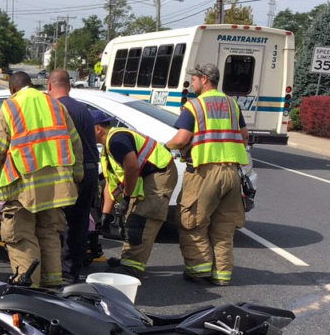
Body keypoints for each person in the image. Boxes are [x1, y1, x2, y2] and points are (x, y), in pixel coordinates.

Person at [0, 71, 83, 288]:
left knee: (20, 236)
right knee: (49, 235)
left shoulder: (10, 108)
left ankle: (28, 290)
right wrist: (77, 176)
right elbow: (75, 144)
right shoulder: (56, 106)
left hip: (23, 188)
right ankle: (52, 287)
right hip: (55, 188)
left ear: (12, 89)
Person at [165, 63, 248, 286]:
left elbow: (182, 139)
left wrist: (165, 147)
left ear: (204, 79)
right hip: (231, 173)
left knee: (192, 222)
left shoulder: (195, 106)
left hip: (204, 173)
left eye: (194, 79)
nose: (191, 83)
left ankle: (199, 270)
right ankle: (222, 276)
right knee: (224, 227)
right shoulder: (232, 105)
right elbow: (244, 136)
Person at [93, 110, 179, 277]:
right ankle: (128, 261)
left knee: (142, 218)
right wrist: (105, 214)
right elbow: (111, 184)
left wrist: (126, 195)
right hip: (150, 175)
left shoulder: (116, 141)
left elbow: (132, 166)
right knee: (133, 217)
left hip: (159, 173)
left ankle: (132, 267)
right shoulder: (108, 148)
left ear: (97, 129)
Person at [47, 69, 99, 284]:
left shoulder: (57, 109)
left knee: (58, 224)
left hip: (71, 172)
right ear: (68, 85)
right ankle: (73, 273)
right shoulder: (82, 109)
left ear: (50, 86)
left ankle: (59, 272)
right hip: (91, 171)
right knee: (79, 224)